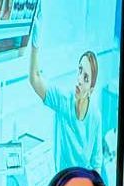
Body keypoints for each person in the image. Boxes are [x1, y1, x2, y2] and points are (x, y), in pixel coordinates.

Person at [29, 5, 104, 172]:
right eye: (79, 71)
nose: (79, 80)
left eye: (85, 78)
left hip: (83, 185)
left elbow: (96, 163)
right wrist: (35, 44)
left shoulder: (94, 117)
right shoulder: (64, 101)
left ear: (91, 89)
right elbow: (34, 79)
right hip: (63, 184)